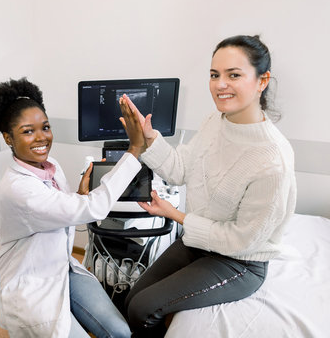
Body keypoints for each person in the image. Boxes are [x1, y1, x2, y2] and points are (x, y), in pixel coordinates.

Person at [120, 35, 297, 337]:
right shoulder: (214, 122)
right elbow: (180, 169)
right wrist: (149, 137)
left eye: (234, 75)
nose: (220, 84)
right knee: (129, 299)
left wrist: (176, 216)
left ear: (262, 81)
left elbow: (243, 241)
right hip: (200, 243)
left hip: (239, 262)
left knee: (142, 308)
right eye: (215, 75)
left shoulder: (273, 159)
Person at [0, 77, 144, 337]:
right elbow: (94, 207)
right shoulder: (17, 189)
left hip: (62, 267)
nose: (41, 138)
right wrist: (134, 149)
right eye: (27, 131)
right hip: (31, 284)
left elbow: (62, 212)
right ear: (8, 138)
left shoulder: (49, 166)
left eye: (45, 127)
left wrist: (77, 195)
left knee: (120, 332)